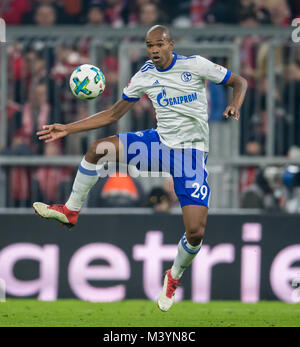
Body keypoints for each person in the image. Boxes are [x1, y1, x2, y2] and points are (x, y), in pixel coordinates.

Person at [33, 25, 247, 312]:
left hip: (191, 156)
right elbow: (113, 113)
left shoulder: (195, 65)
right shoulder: (145, 75)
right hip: (158, 145)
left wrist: (235, 103)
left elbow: (240, 82)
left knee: (195, 231)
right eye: (149, 45)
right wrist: (67, 129)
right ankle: (70, 210)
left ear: (171, 43)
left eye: (159, 44)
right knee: (98, 149)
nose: (154, 50)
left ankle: (173, 276)